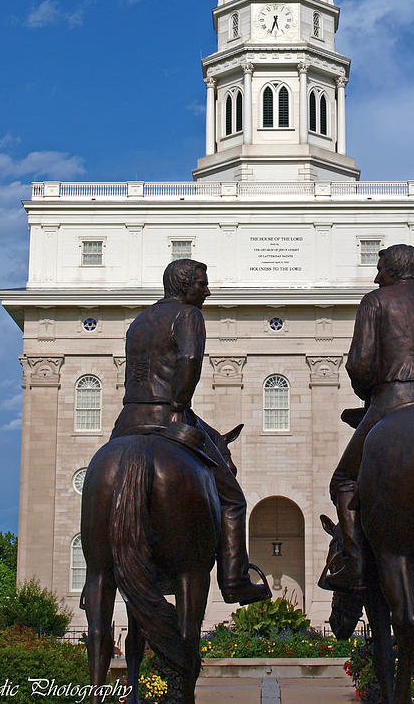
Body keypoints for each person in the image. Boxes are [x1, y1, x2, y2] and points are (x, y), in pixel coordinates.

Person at [111, 258, 270, 606]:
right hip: (168, 415)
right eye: (201, 284)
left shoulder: (138, 321)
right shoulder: (188, 315)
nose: (207, 291)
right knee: (232, 498)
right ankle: (234, 579)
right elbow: (189, 362)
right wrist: (179, 406)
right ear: (184, 286)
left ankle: (103, 575)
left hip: (126, 422)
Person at [321, 244, 414, 592]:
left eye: (380, 268)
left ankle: (355, 565)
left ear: (392, 270)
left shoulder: (376, 301)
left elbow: (360, 364)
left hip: (391, 402)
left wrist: (369, 396)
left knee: (342, 481)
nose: (376, 276)